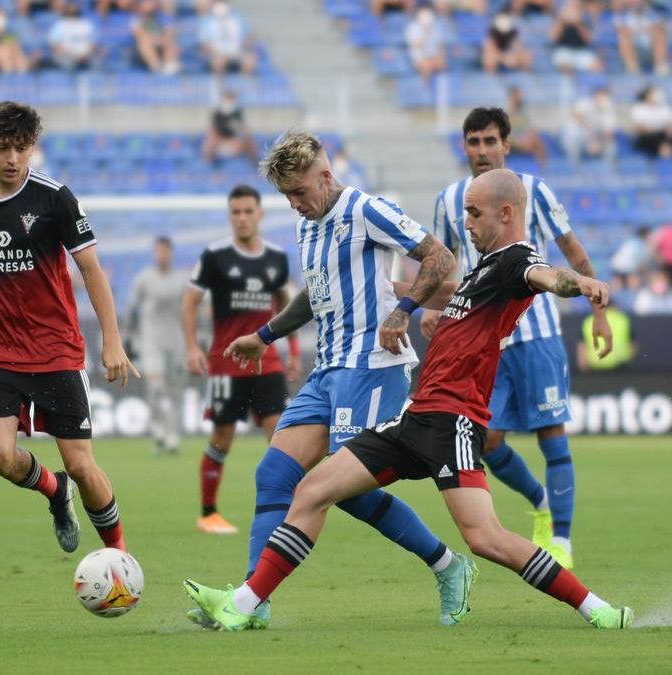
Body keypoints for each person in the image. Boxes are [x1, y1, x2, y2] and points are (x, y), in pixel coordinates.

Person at [183, 168, 634, 632]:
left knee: (486, 537)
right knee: (313, 491)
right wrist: (421, 310)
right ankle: (243, 604)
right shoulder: (484, 270)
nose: (467, 223)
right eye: (465, 213)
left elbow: (545, 275)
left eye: (475, 214)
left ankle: (595, 607)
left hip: (454, 422)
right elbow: (456, 307)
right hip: (416, 417)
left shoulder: (516, 260)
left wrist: (579, 283)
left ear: (506, 213)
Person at [188, 132, 470, 629]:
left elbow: (440, 258)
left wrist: (403, 310)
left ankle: (449, 565)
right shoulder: (307, 226)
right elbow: (315, 298)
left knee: (343, 488)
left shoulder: (367, 209)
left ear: (324, 176)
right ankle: (255, 603)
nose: (294, 205)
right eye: (287, 197)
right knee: (273, 475)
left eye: (299, 193)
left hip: (373, 368)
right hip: (327, 371)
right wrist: (265, 334)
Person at [0, 101, 137, 555]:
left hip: (54, 348)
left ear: (33, 147)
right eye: (3, 148)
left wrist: (112, 339)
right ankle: (54, 492)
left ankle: (119, 557)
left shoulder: (53, 197)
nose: (13, 159)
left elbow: (92, 270)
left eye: (22, 148)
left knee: (82, 465)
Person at [428, 108, 611, 569]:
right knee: (486, 440)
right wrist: (432, 307)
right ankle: (540, 499)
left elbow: (571, 251)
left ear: (506, 145)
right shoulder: (449, 200)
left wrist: (599, 313)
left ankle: (562, 542)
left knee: (551, 432)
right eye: (474, 142)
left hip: (538, 334)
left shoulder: (535, 191)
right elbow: (443, 262)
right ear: (464, 147)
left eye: (491, 141)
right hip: (486, 340)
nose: (483, 150)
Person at [181, 185, 300, 534]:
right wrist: (192, 347)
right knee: (222, 437)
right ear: (230, 215)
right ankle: (209, 513)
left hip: (267, 362)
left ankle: (287, 514)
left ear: (260, 214)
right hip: (225, 362)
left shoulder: (276, 257)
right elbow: (189, 303)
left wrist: (292, 350)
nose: (243, 218)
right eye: (236, 212)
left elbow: (286, 306)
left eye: (249, 211)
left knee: (280, 438)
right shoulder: (215, 255)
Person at [127, 236, 189, 456]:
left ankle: (173, 435)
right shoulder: (145, 278)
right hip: (151, 341)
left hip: (177, 341)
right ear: (155, 253)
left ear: (171, 253)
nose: (162, 255)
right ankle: (160, 428)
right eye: (158, 251)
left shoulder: (182, 280)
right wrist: (126, 335)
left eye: (165, 251)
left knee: (175, 391)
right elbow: (132, 307)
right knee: (155, 388)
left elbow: (194, 309)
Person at [561, 85, 617, 163]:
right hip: (577, 137)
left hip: (595, 140)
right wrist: (591, 140)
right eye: (601, 96)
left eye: (605, 97)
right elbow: (576, 115)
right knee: (573, 142)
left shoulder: (608, 110)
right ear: (595, 95)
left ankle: (609, 171)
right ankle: (575, 171)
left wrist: (598, 144)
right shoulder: (584, 103)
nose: (603, 99)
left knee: (611, 147)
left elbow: (608, 133)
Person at [198, 0, 257, 74]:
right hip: (216, 53)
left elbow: (249, 36)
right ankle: (218, 83)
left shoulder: (238, 18)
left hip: (237, 51)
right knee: (218, 62)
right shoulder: (206, 20)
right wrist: (218, 53)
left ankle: (246, 83)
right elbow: (204, 44)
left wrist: (244, 47)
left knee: (249, 60)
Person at [614, 0, 670, 75]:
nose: (637, 2)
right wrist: (645, 29)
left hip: (651, 48)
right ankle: (632, 69)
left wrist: (637, 30)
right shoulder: (623, 16)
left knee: (660, 33)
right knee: (624, 37)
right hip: (634, 49)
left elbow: (661, 26)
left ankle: (659, 67)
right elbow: (620, 29)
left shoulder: (655, 13)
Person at [202, 90, 259, 164]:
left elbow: (243, 130)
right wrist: (225, 140)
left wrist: (238, 138)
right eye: (228, 99)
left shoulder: (238, 113)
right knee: (211, 140)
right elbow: (214, 131)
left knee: (249, 143)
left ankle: (255, 165)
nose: (229, 102)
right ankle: (209, 166)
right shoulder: (217, 113)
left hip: (235, 140)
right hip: (220, 140)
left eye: (231, 99)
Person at [549, 0, 600, 74]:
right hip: (564, 49)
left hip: (582, 50)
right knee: (565, 64)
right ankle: (569, 84)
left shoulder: (585, 17)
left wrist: (578, 23)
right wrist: (561, 20)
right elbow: (553, 38)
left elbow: (588, 40)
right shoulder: (559, 17)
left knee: (597, 66)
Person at [630, 85, 672, 158]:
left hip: (663, 136)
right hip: (647, 137)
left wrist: (667, 131)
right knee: (653, 138)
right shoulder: (639, 109)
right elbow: (639, 129)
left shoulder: (665, 109)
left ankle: (667, 150)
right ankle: (664, 150)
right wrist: (656, 131)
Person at [131, 0, 180, 75]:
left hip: (162, 44)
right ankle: (157, 69)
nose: (150, 5)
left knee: (171, 43)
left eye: (152, 2)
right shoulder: (137, 18)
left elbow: (170, 33)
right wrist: (155, 39)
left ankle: (170, 69)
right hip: (141, 50)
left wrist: (159, 39)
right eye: (147, 2)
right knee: (144, 43)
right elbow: (138, 34)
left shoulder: (164, 16)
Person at [577, 305, 633, 371]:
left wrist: (583, 366)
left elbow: (582, 346)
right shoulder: (622, 319)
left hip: (595, 365)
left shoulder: (589, 320)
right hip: (619, 365)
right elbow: (632, 344)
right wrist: (628, 359)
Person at [47, 2, 97, 71]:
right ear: (66, 9)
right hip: (67, 57)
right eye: (70, 7)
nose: (72, 9)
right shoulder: (59, 25)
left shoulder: (86, 24)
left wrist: (85, 55)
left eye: (74, 6)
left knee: (96, 61)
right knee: (66, 63)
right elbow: (55, 46)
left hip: (85, 57)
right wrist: (72, 55)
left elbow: (93, 44)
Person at [0, 7, 31, 74]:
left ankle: (21, 78)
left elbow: (17, 48)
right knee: (4, 53)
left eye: (1, 18)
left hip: (12, 58)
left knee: (19, 58)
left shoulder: (11, 34)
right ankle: (7, 77)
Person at [404, 6, 447, 82]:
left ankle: (442, 89)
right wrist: (426, 33)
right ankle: (426, 90)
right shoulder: (412, 28)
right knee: (427, 66)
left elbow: (440, 45)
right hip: (418, 58)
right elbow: (417, 45)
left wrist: (440, 57)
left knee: (443, 64)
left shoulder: (436, 27)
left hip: (433, 56)